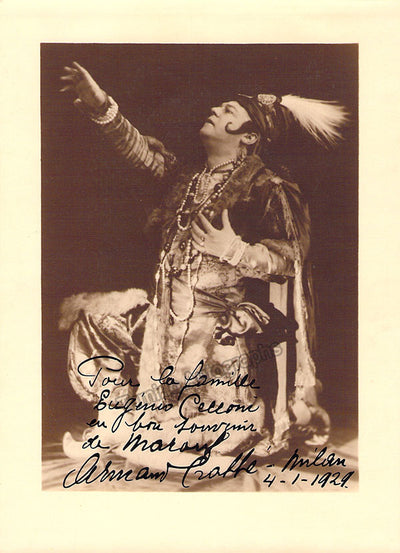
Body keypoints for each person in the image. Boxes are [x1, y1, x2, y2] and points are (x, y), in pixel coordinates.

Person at [58, 62, 344, 468]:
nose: (215, 110)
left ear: (249, 137)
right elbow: (139, 150)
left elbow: (289, 258)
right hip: (164, 320)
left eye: (228, 111)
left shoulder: (266, 187)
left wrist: (234, 249)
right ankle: (118, 420)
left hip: (216, 327)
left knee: (206, 409)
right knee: (95, 323)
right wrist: (101, 104)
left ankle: (168, 434)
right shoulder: (186, 177)